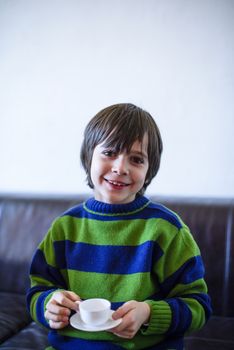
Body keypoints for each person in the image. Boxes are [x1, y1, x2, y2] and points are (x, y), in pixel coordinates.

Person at [27, 103, 212, 350]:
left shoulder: (166, 230)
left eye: (136, 159)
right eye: (110, 152)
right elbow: (38, 291)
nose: (120, 168)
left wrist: (148, 313)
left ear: (148, 172)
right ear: (88, 156)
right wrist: (48, 305)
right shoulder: (65, 228)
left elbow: (198, 305)